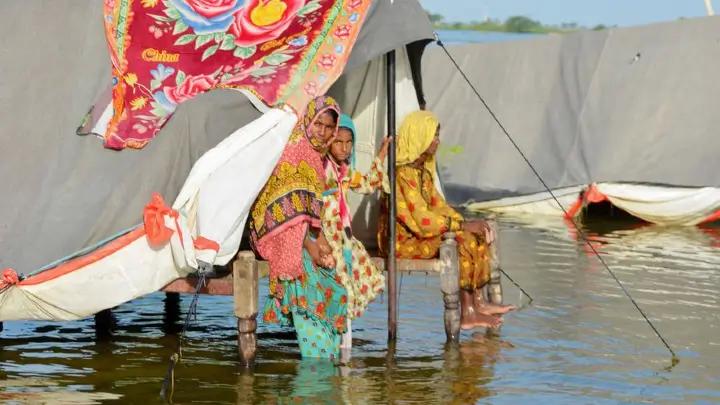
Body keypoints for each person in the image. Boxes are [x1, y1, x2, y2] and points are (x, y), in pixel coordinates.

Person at [384, 110, 514, 330]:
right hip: (403, 241)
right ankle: (467, 313)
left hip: (421, 236)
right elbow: (422, 221)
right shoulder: (403, 175)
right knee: (464, 241)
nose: (437, 142)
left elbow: (438, 205)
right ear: (419, 137)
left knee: (474, 235)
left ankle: (478, 302)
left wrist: (466, 222)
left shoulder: (421, 172)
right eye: (432, 136)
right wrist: (460, 226)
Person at [250, 96, 348, 360]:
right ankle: (315, 353)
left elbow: (308, 209)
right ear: (309, 120)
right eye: (319, 124)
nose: (324, 132)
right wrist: (312, 246)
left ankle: (322, 349)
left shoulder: (316, 156)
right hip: (273, 229)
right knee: (308, 278)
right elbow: (289, 207)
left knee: (333, 278)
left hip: (300, 229)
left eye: (330, 127)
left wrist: (321, 242)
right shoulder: (294, 147)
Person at [322, 114, 389, 349]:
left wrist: (381, 155)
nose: (344, 147)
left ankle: (344, 338)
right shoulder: (322, 170)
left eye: (349, 142)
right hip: (325, 237)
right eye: (338, 142)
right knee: (342, 282)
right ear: (328, 140)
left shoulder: (345, 172)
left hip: (342, 236)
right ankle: (342, 337)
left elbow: (369, 183)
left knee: (358, 272)